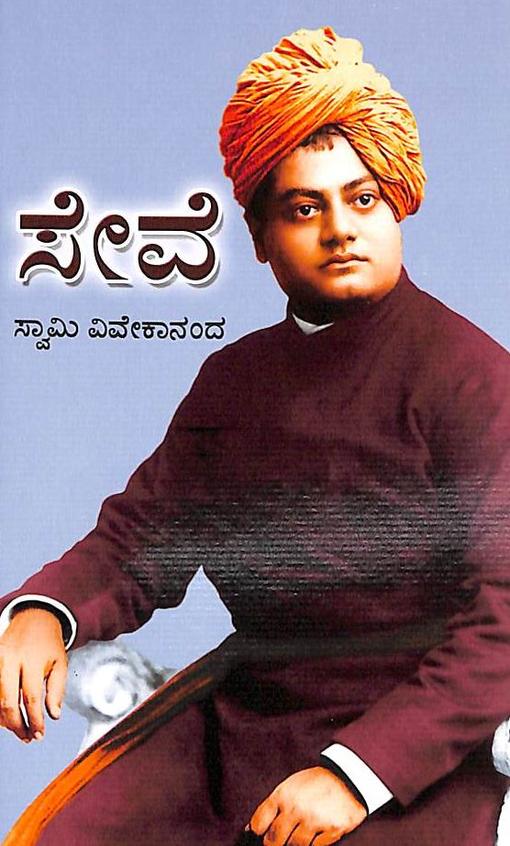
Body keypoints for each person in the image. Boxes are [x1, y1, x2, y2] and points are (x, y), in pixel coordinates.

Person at [0, 26, 509, 846]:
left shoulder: (473, 377)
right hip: (247, 710)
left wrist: (356, 774)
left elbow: (505, 619)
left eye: (362, 199)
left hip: (422, 730)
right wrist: (44, 612)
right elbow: (141, 542)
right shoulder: (233, 380)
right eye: (306, 208)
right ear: (262, 236)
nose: (340, 229)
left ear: (396, 204)